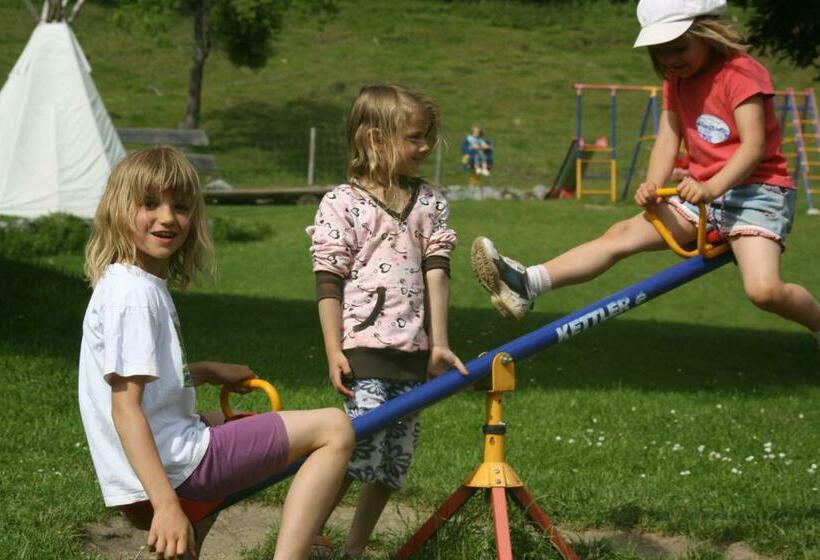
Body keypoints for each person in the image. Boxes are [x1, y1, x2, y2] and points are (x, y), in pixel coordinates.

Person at [471, 0, 820, 348]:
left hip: (756, 194)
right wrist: (653, 183)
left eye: (679, 48)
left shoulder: (740, 72)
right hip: (701, 196)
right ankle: (527, 284)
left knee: (764, 291)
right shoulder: (676, 81)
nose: (670, 60)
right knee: (620, 234)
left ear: (708, 33)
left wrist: (712, 187)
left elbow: (754, 146)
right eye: (660, 51)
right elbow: (668, 138)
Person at [78, 146, 354, 560]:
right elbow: (126, 408)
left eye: (180, 206)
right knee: (335, 428)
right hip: (171, 472)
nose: (168, 218)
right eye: (150, 204)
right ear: (118, 210)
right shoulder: (133, 296)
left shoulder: (128, 282)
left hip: (145, 468)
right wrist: (166, 505)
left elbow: (142, 379)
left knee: (233, 422)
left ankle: (188, 541)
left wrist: (205, 371)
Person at [307, 84, 469, 558]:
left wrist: (439, 343)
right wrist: (334, 350)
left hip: (414, 355)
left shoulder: (430, 202)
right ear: (375, 138)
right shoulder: (342, 203)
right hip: (364, 351)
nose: (424, 148)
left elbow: (437, 272)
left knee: (391, 465)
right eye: (414, 138)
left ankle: (353, 550)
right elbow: (328, 280)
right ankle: (306, 536)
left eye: (426, 137)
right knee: (353, 449)